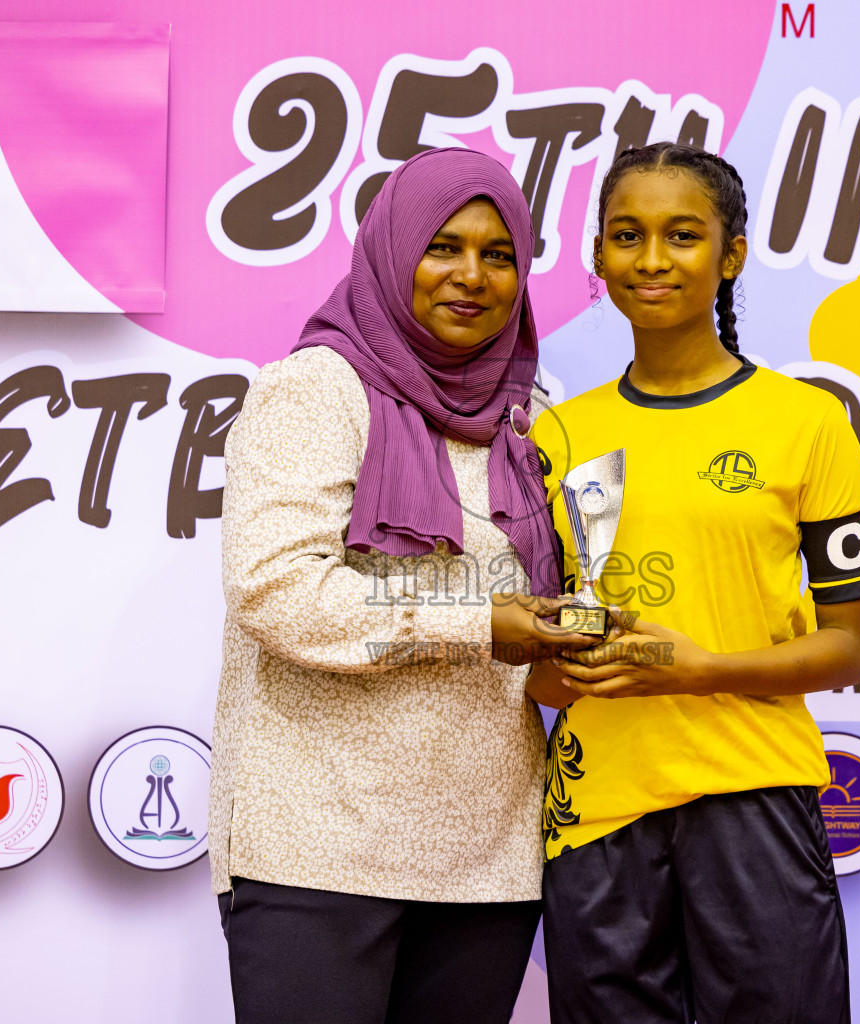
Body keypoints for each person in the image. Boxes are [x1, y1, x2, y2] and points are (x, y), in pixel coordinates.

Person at [210, 147, 591, 1024]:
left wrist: (575, 644)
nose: (472, 276)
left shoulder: (525, 417)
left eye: (500, 255)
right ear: (391, 251)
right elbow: (277, 591)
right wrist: (477, 623)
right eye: (443, 246)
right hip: (318, 846)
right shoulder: (316, 391)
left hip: (487, 856)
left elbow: (526, 626)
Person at [526, 142, 860, 1024]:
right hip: (598, 805)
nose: (651, 260)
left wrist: (697, 670)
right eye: (626, 236)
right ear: (598, 256)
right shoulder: (559, 436)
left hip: (752, 790)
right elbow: (538, 660)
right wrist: (553, 663)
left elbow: (848, 648)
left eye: (682, 236)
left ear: (731, 255)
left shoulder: (805, 421)